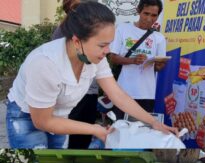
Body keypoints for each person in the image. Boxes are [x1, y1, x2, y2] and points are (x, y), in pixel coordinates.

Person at [5, 1, 177, 149]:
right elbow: (42, 122)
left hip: (60, 116)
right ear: (77, 42)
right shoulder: (45, 63)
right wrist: (95, 129)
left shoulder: (95, 56)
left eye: (109, 44)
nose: (107, 51)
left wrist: (153, 123)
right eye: (102, 45)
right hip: (27, 117)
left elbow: (117, 94)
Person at [52, 0, 99, 149]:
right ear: (71, 10)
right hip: (70, 92)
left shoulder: (91, 31)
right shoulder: (63, 31)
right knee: (69, 135)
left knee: (83, 135)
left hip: (89, 91)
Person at [109, 0, 167, 119]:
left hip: (147, 94)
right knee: (120, 129)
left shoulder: (159, 38)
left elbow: (158, 67)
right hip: (123, 91)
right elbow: (113, 57)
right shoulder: (123, 29)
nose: (149, 18)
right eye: (146, 13)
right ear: (138, 11)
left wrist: (159, 65)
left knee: (142, 131)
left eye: (154, 15)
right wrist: (133, 60)